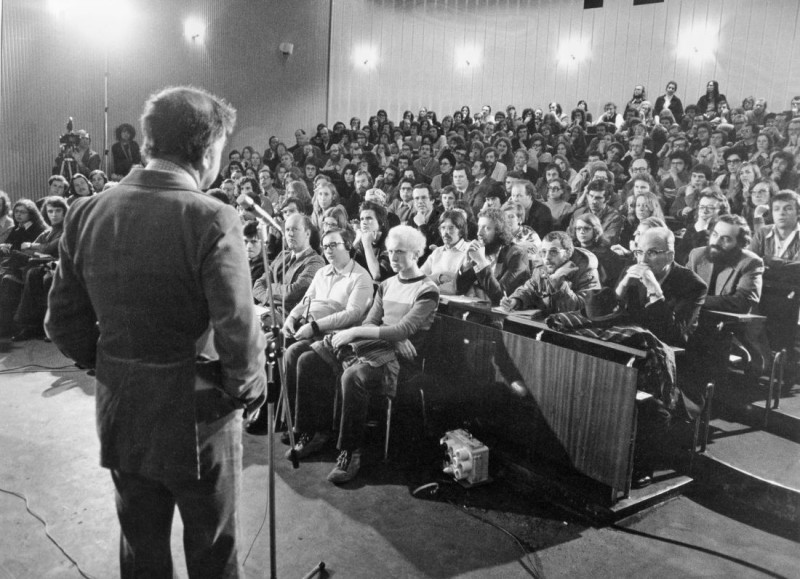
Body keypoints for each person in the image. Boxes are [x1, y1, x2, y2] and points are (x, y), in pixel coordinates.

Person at [45, 86, 267, 577]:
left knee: (141, 548)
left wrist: (112, 366)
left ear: (148, 141)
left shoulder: (85, 211)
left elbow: (60, 321)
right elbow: (237, 329)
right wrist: (245, 390)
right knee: (212, 552)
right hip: (196, 413)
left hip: (120, 407)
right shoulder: (211, 216)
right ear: (206, 150)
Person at [287, 226, 439, 483]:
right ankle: (313, 432)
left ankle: (350, 452)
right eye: (390, 251)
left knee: (353, 376)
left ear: (416, 254)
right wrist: (392, 336)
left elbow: (403, 329)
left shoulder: (427, 289)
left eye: (400, 252)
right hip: (377, 347)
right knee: (309, 360)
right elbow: (372, 322)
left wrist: (365, 332)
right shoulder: (387, 284)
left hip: (402, 361)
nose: (393, 257)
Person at [254, 226, 373, 438]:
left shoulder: (360, 276)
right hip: (311, 329)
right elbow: (305, 301)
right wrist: (291, 318)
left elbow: (353, 314)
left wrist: (315, 326)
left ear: (348, 245)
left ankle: (304, 427)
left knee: (298, 356)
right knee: (276, 346)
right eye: (325, 246)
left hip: (336, 336)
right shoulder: (322, 272)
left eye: (333, 245)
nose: (328, 250)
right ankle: (285, 418)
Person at [615, 227, 708, 347]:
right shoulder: (629, 272)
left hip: (667, 350)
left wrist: (655, 290)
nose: (643, 260)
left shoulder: (693, 284)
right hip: (631, 344)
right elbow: (608, 319)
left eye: (652, 253)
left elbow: (675, 335)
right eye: (639, 252)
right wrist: (621, 288)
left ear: (670, 256)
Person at [501, 230, 601, 315]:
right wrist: (515, 301)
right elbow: (529, 289)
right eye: (543, 252)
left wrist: (558, 282)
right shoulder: (543, 267)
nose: (547, 257)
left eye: (553, 252)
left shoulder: (586, 270)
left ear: (567, 253)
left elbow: (583, 309)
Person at [253, 213, 325, 323]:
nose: (290, 234)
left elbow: (292, 292)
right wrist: (271, 297)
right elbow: (258, 285)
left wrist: (270, 288)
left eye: (295, 229)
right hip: (264, 310)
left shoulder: (316, 261)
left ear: (307, 233)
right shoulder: (282, 255)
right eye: (287, 230)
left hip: (287, 318)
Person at [455, 207, 530, 305]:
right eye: (479, 227)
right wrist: (466, 264)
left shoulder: (517, 255)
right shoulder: (483, 249)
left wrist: (481, 262)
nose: (479, 233)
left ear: (499, 232)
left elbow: (500, 298)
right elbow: (459, 290)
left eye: (487, 228)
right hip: (477, 309)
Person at [420, 210, 470, 295]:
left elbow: (456, 287)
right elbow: (419, 279)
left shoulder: (469, 251)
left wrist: (431, 280)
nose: (445, 232)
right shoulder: (437, 252)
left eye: (451, 228)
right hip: (431, 297)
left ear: (461, 231)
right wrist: (439, 278)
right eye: (443, 228)